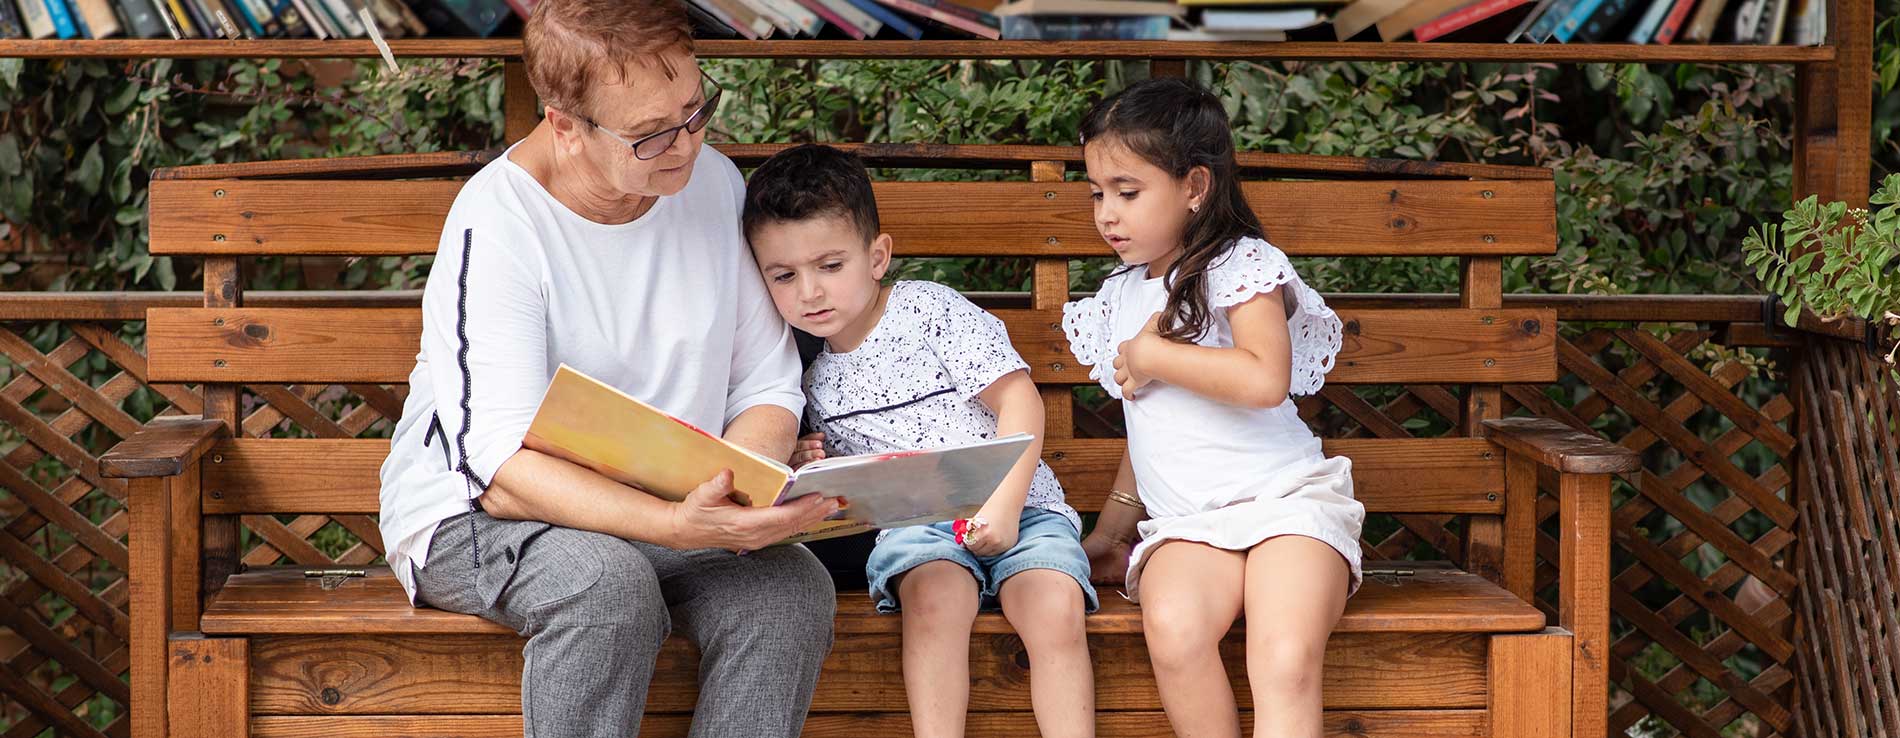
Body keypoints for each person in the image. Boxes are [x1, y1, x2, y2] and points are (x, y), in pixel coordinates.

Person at [375, 1, 838, 735]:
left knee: (787, 589)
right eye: (651, 135)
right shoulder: (497, 225)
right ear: (565, 127)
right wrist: (675, 525)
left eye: (695, 110)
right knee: (603, 583)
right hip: (472, 516)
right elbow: (499, 471)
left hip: (670, 505)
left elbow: (764, 383)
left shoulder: (715, 187)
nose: (685, 145)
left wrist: (741, 493)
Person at [745, 144, 1098, 738]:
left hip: (1023, 504)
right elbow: (855, 485)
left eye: (830, 266)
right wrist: (810, 459)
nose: (809, 292)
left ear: (877, 255)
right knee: (933, 602)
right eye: (784, 275)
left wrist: (1004, 508)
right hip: (917, 524)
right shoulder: (805, 372)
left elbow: (1019, 400)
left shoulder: (927, 310)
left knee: (1052, 606)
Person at [1065, 78, 1366, 738]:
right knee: (1173, 632)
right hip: (1187, 525)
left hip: (1287, 504)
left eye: (1127, 192)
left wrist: (1153, 356)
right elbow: (1148, 428)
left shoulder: (1238, 265)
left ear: (1195, 187)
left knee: (1283, 658)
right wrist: (1113, 535)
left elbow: (1265, 379)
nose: (1107, 214)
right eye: (1097, 194)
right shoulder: (1117, 294)